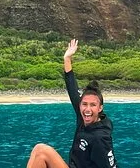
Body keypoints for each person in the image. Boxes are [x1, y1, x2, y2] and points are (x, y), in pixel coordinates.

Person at [27, 39, 117, 168]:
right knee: (39, 152)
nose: (87, 109)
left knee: (42, 151)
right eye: (84, 104)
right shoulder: (83, 116)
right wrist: (67, 58)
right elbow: (72, 88)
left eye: (93, 105)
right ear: (80, 105)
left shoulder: (100, 138)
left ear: (100, 108)